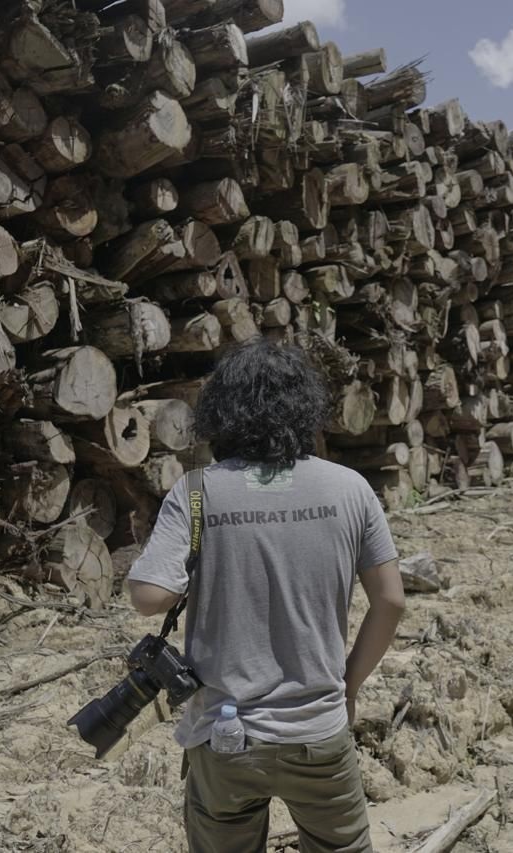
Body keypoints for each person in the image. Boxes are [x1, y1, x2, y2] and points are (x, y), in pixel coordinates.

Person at [127, 339, 406, 853]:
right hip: (320, 731)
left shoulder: (195, 492)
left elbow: (149, 598)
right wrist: (349, 683)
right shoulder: (350, 488)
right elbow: (390, 602)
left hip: (225, 736)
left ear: (222, 413)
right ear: (305, 410)